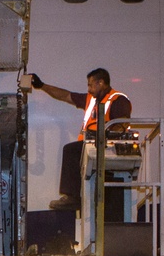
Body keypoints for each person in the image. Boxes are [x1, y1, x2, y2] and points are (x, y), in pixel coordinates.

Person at [28, 68, 132, 209]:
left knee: (70, 150)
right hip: (91, 146)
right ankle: (76, 196)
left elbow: (121, 124)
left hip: (108, 147)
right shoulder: (91, 100)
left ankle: (73, 197)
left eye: (90, 85)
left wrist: (101, 136)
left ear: (101, 83)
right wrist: (42, 86)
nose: (88, 89)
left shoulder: (118, 99)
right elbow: (65, 95)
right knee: (74, 151)